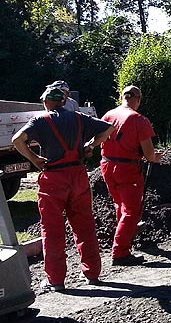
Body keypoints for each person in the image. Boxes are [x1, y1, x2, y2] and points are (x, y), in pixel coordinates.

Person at [12, 87, 114, 292]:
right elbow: (108, 128)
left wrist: (34, 158)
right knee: (85, 226)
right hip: (78, 177)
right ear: (63, 101)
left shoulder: (40, 121)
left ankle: (56, 280)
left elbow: (17, 140)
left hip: (54, 180)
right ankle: (92, 274)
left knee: (52, 231)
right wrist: (91, 145)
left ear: (46, 102)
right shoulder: (78, 118)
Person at [100, 85, 162, 266]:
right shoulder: (139, 120)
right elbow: (150, 155)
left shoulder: (108, 115)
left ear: (122, 97)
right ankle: (119, 252)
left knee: (120, 205)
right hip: (127, 169)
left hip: (106, 165)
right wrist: (156, 157)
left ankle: (124, 244)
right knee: (132, 212)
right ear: (138, 99)